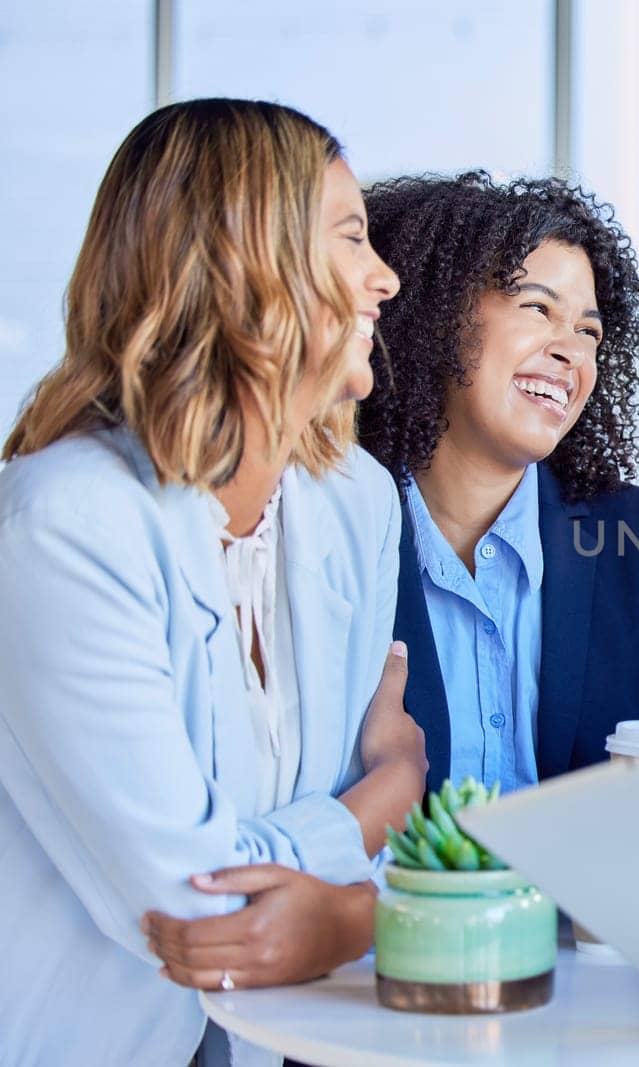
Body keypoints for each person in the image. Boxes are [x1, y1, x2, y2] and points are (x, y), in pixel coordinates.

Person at [0, 99, 424, 1064]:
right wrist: (389, 797)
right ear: (245, 259)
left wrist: (333, 889)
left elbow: (279, 878)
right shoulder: (65, 521)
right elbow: (195, 904)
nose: (384, 276)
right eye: (351, 237)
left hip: (270, 1039)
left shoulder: (354, 501)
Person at [357, 173, 639, 798]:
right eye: (538, 308)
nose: (572, 353)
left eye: (588, 331)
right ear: (437, 313)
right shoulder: (334, 526)